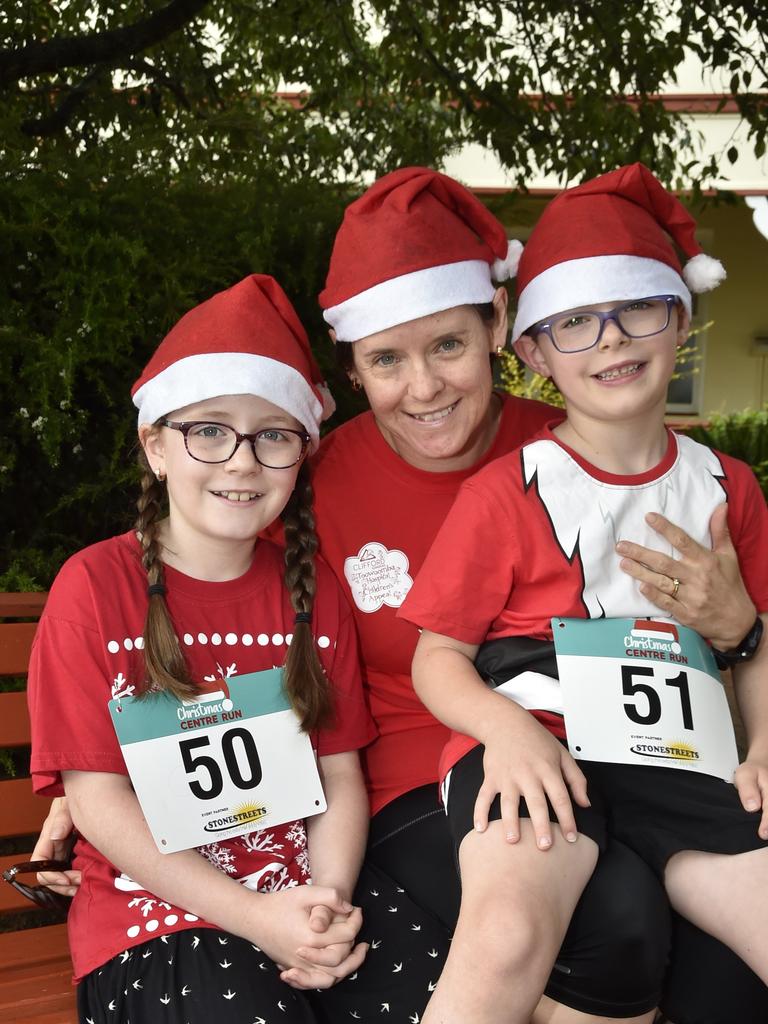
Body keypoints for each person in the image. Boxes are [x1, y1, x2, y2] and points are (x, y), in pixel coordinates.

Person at [33, 169, 767, 1023]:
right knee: (615, 918)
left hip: (642, 760)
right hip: (421, 780)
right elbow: (200, 598)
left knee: (720, 969)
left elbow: (701, 605)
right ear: (352, 371)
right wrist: (87, 784)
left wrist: (741, 628)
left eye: (448, 346)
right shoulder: (303, 483)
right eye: (387, 359)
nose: (424, 388)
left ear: (498, 329)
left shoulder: (578, 441)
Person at [27, 273, 449, 1024]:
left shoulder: (310, 588)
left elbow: (339, 776)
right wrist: (258, 920)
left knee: (449, 995)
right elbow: (95, 800)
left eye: (274, 435)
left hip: (304, 890)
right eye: (209, 431)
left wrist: (325, 906)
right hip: (157, 911)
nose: (243, 460)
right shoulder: (93, 586)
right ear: (155, 446)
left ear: (300, 455)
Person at [401, 163, 768, 1024]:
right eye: (573, 323)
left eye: (636, 308)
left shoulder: (731, 487)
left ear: (679, 318)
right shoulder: (503, 492)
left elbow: (756, 640)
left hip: (686, 752)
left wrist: (764, 750)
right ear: (531, 351)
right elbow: (437, 656)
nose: (609, 340)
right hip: (544, 743)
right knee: (507, 935)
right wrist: (506, 732)